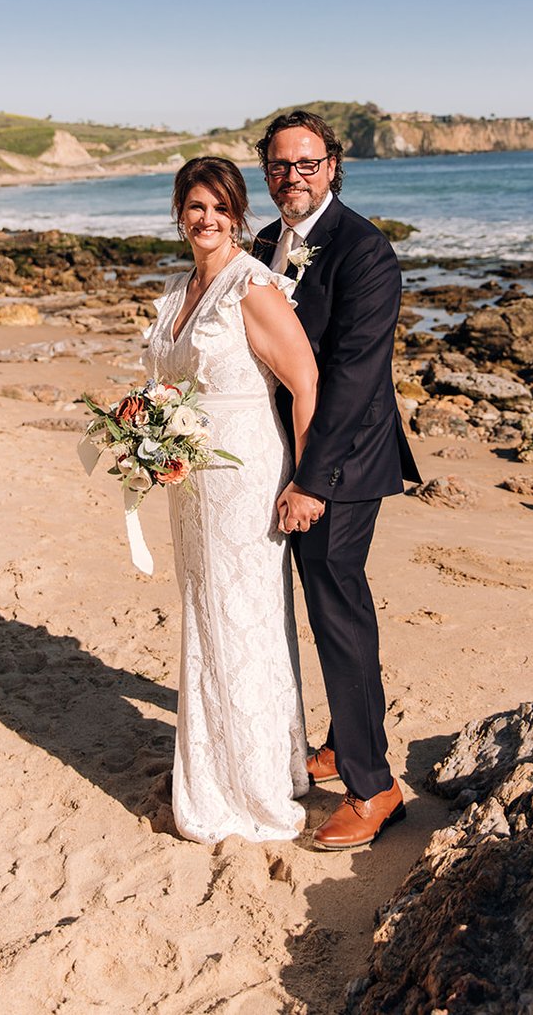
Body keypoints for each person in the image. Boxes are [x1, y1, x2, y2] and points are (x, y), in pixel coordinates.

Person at [254, 110, 421, 851]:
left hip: (342, 464)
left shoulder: (365, 250)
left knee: (338, 611)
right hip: (285, 453)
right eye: (280, 165)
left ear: (334, 165)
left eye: (307, 163)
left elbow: (354, 379)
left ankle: (374, 784)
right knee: (323, 606)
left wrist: (313, 481)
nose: (294, 176)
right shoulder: (266, 244)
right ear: (267, 171)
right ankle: (338, 739)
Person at [143, 155, 319, 843]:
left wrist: (306, 479)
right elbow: (166, 387)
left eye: (220, 207)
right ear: (179, 213)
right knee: (207, 617)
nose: (207, 219)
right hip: (191, 484)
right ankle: (226, 766)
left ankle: (255, 785)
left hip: (245, 478)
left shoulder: (251, 285)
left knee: (242, 618)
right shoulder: (179, 291)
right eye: (195, 206)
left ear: (239, 216)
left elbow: (304, 380)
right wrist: (147, 437)